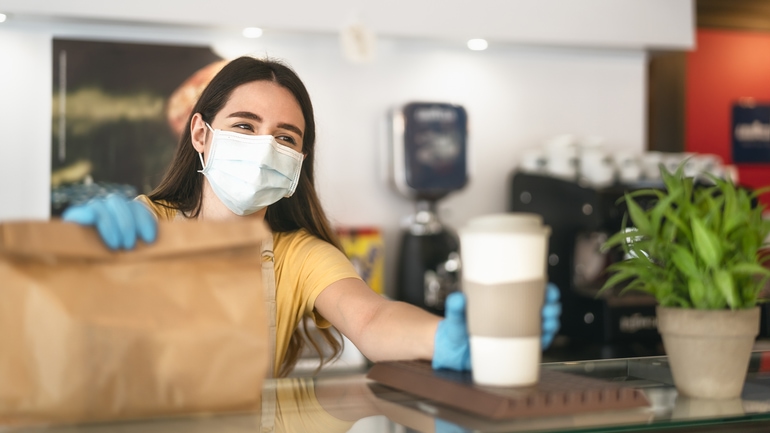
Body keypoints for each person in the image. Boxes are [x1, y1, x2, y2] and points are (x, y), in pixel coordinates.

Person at [62, 56, 562, 378]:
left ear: (299, 161)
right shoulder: (143, 224)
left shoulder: (297, 255)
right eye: (244, 125)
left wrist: (452, 337)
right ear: (200, 134)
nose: (264, 147)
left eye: (285, 137)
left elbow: (371, 317)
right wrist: (72, 256)